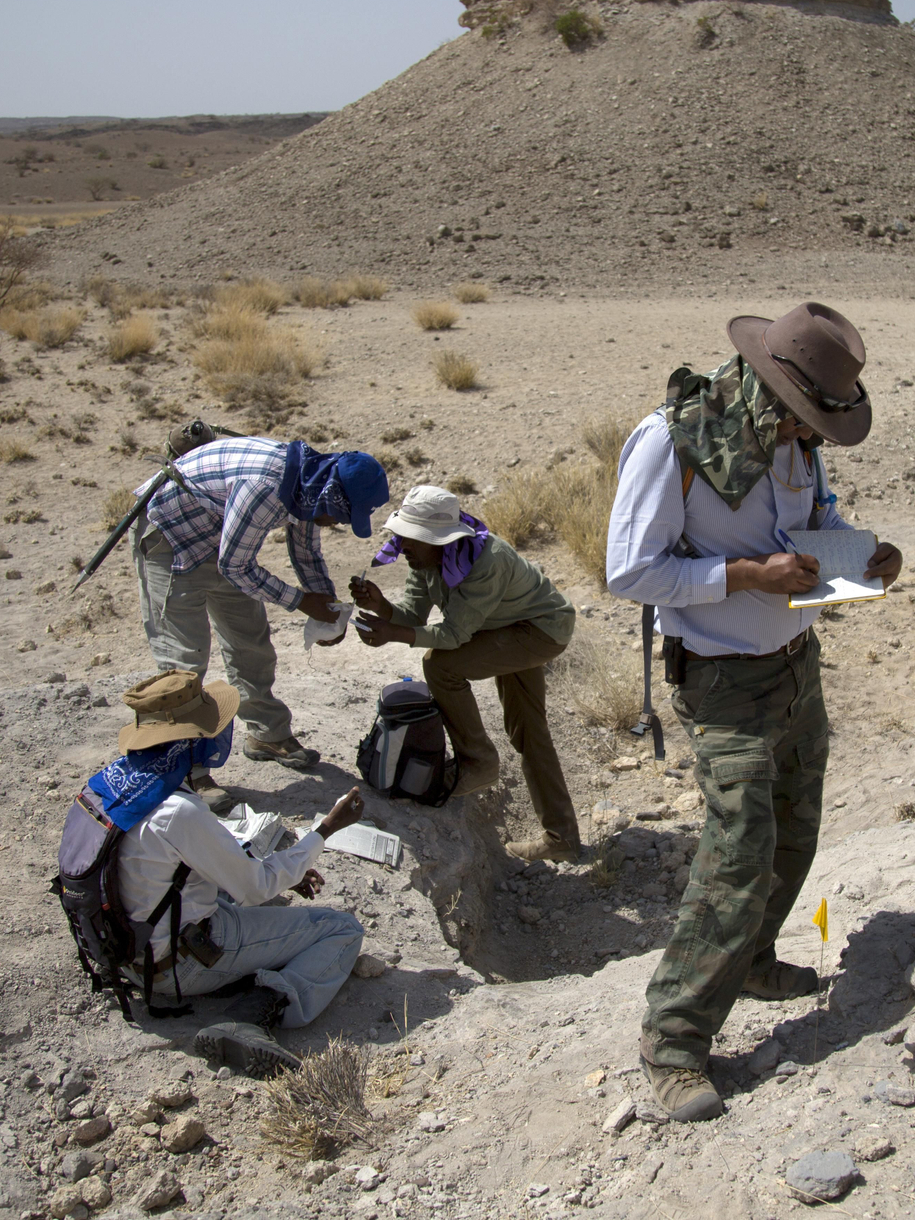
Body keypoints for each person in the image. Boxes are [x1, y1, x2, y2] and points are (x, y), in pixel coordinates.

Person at [605, 301, 902, 1121]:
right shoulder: (674, 442)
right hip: (722, 680)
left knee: (795, 822)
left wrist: (866, 552)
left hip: (795, 666)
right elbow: (629, 569)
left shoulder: (793, 443)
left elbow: (817, 521)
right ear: (770, 391)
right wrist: (745, 577)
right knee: (738, 850)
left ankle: (757, 955)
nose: (809, 436)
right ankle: (674, 1037)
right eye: (804, 418)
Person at [99, 669, 369, 1076]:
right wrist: (325, 830)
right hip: (179, 963)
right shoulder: (179, 812)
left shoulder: (113, 783)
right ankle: (250, 1015)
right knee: (340, 929)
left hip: (123, 950)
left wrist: (279, 869)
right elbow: (255, 888)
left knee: (252, 882)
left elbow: (177, 855)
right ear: (192, 740)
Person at [132, 435, 390, 795]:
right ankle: (183, 771)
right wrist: (301, 602)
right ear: (333, 496)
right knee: (184, 660)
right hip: (170, 536)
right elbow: (236, 567)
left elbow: (305, 550)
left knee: (249, 640)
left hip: (221, 539)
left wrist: (328, 611)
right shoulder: (267, 488)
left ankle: (267, 735)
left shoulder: (309, 486)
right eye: (342, 515)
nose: (336, 522)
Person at [348, 485, 582, 863]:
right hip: (501, 628)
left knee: (440, 665)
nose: (402, 544)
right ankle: (563, 838)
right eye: (402, 535)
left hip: (541, 630)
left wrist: (393, 634)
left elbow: (454, 635)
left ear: (438, 540)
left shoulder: (486, 562)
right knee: (529, 731)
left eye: (411, 538)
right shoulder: (426, 561)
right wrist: (383, 607)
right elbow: (413, 614)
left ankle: (478, 763)